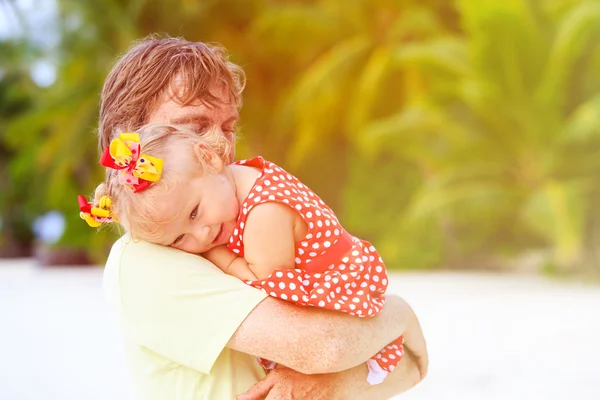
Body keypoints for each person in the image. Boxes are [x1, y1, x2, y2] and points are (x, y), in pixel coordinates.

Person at [96, 35, 428, 399]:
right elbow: (326, 348)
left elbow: (410, 369)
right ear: (129, 141)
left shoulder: (243, 220)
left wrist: (328, 383)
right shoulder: (144, 259)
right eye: (191, 127)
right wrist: (398, 314)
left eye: (226, 127)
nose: (220, 145)